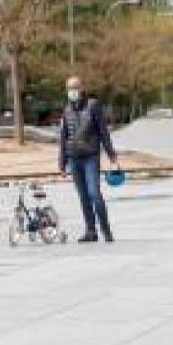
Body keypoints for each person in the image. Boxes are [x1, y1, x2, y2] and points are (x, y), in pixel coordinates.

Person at [57, 75, 119, 243]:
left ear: (82, 89)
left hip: (90, 157)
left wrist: (111, 154)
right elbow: (63, 138)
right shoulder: (66, 110)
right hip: (74, 159)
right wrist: (62, 163)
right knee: (83, 196)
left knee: (94, 194)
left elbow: (103, 132)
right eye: (69, 89)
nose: (72, 92)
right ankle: (91, 231)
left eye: (75, 88)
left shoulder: (93, 106)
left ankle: (106, 229)